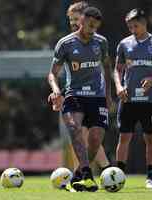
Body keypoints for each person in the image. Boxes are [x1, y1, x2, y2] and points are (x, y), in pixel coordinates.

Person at [48, 6, 113, 192]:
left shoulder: (101, 42)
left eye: (95, 26)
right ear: (81, 21)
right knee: (75, 129)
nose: (91, 28)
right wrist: (56, 90)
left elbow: (107, 68)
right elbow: (52, 74)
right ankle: (87, 175)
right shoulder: (65, 43)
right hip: (74, 95)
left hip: (97, 97)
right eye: (88, 24)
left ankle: (77, 176)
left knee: (95, 139)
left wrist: (108, 95)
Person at [114, 8, 152, 189]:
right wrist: (118, 86)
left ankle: (150, 178)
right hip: (128, 100)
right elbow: (117, 70)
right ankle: (119, 176)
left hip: (150, 101)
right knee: (124, 138)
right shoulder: (124, 44)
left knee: (151, 140)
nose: (133, 29)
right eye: (130, 27)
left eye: (136, 25)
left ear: (144, 22)